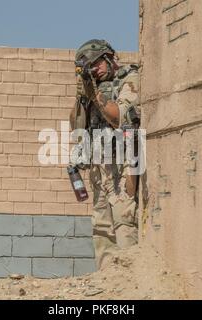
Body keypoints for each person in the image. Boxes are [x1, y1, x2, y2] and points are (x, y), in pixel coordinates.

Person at [69, 39, 141, 269]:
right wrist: (82, 97)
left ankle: (131, 279)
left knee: (124, 222)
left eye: (97, 64)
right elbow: (77, 126)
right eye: (90, 68)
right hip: (99, 167)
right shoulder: (93, 88)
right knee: (101, 227)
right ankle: (109, 280)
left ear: (110, 57)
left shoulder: (129, 79)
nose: (96, 71)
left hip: (123, 165)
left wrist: (96, 96)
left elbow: (118, 117)